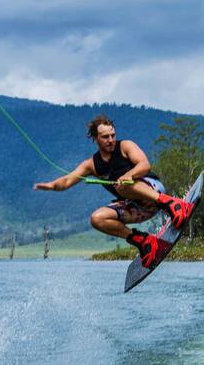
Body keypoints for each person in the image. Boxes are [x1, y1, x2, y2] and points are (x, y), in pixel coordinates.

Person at [33, 114, 194, 267]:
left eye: (112, 135)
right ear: (95, 139)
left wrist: (129, 175)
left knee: (122, 185)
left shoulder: (125, 146)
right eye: (105, 137)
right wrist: (51, 186)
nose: (110, 140)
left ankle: (174, 204)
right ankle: (142, 241)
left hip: (153, 191)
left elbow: (145, 165)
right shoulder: (92, 165)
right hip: (137, 208)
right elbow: (67, 181)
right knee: (97, 218)